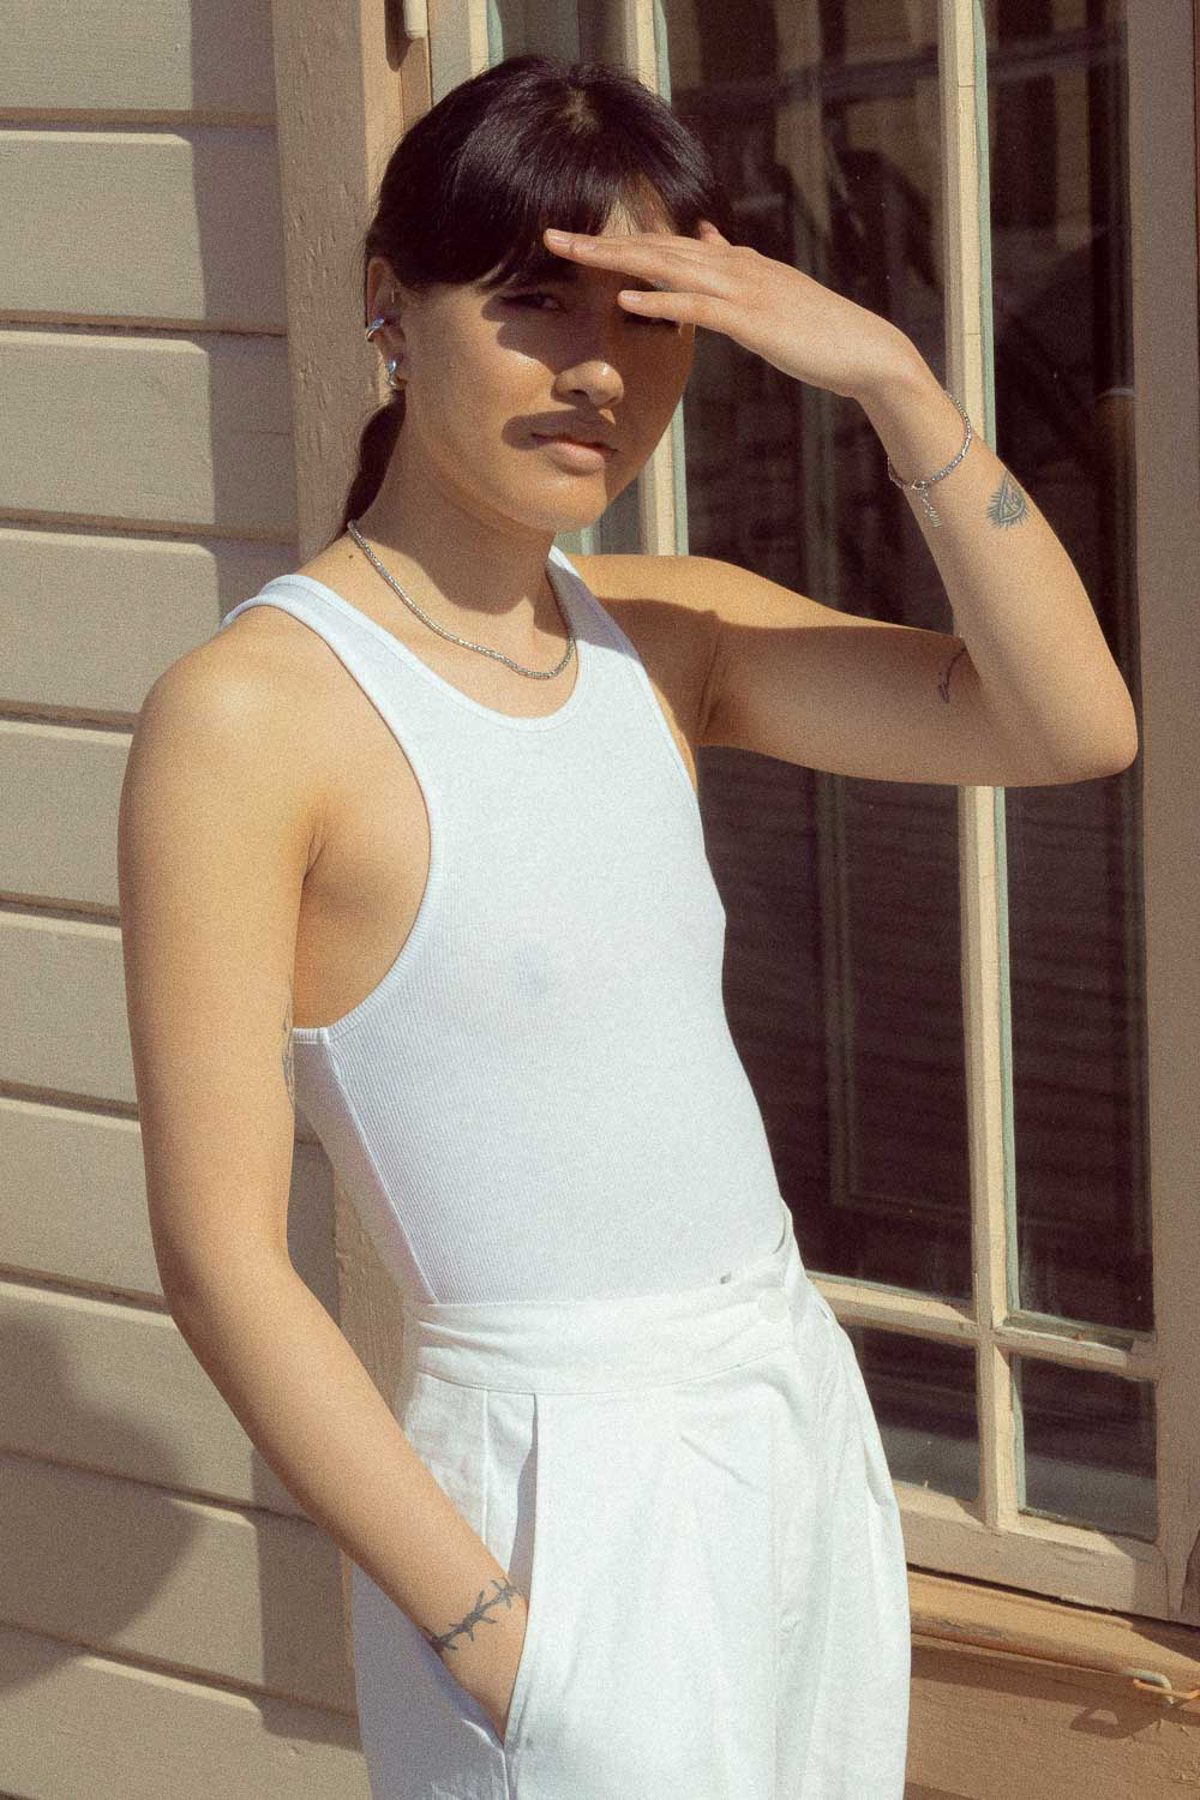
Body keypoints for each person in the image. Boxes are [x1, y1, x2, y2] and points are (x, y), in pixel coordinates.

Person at [117, 53, 1137, 1800]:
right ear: (392, 303)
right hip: (546, 1490)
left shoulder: (665, 637)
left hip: (783, 1410)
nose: (599, 369)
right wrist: (493, 1637)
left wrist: (891, 379)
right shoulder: (254, 714)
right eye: (534, 303)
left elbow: (1069, 725)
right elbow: (220, 1254)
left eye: (648, 318)